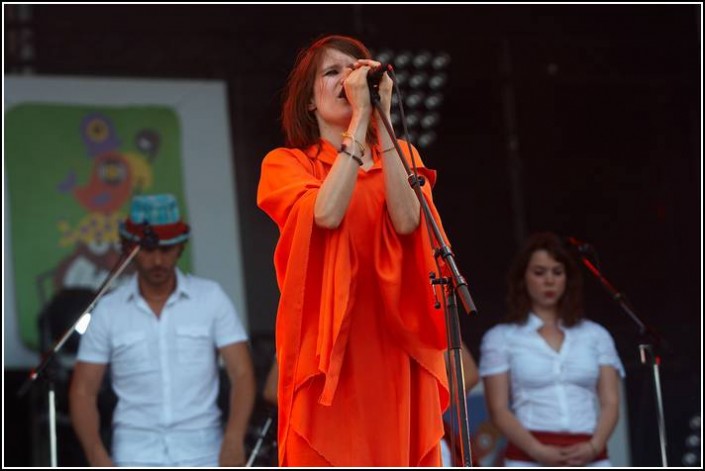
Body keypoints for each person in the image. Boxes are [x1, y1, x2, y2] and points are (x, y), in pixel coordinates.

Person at [257, 34, 451, 466]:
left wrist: (379, 123)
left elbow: (407, 221)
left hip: (393, 343)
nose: (349, 79)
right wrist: (360, 118)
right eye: (333, 72)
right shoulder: (288, 163)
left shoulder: (401, 155)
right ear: (309, 102)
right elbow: (324, 213)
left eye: (355, 69)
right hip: (330, 352)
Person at [69, 194, 256, 467]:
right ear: (129, 249)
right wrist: (96, 453)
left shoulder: (211, 298)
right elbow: (83, 390)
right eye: (147, 250)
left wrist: (234, 438)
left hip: (204, 452)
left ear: (180, 247)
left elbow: (242, 373)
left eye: (166, 250)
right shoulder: (108, 310)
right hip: (133, 455)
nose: (157, 260)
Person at [479, 232, 625, 467]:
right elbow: (498, 409)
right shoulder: (500, 337)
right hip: (528, 457)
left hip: (590, 455)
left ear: (567, 278)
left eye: (557, 272)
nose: (549, 280)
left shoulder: (595, 334)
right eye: (539, 272)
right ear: (522, 278)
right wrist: (538, 451)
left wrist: (593, 447)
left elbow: (611, 402)